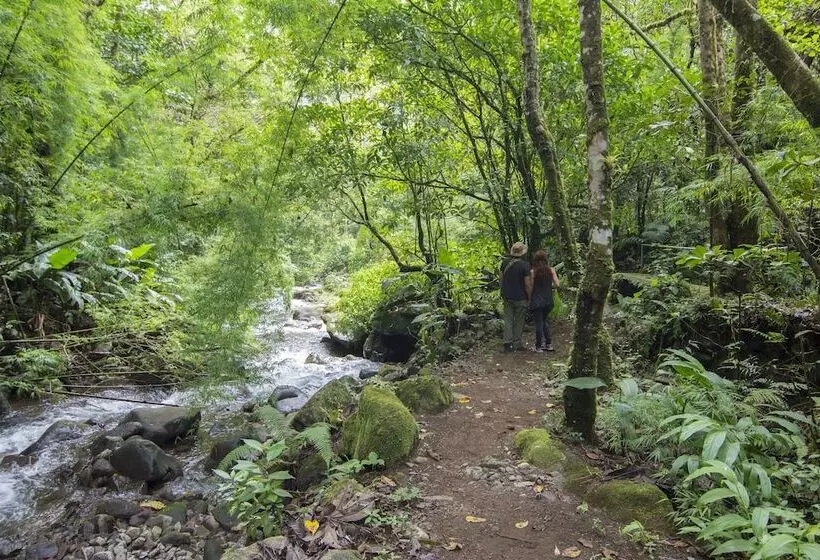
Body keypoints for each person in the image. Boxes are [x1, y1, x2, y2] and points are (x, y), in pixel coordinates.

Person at [500, 242, 532, 352]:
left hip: (507, 295)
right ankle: (517, 343)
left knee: (508, 319)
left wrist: (502, 291)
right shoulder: (525, 265)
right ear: (522, 253)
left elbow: (501, 279)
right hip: (521, 297)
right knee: (519, 320)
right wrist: (530, 297)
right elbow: (527, 284)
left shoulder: (504, 262)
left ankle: (507, 343)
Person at [529, 249, 560, 351]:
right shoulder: (551, 270)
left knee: (539, 322)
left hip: (537, 300)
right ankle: (549, 344)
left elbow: (531, 287)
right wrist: (548, 285)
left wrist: (529, 298)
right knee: (543, 321)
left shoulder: (533, 271)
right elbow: (557, 284)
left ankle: (538, 346)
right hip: (548, 301)